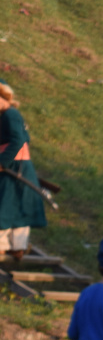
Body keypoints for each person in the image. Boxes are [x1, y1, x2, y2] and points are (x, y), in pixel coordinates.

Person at [0, 82, 46, 260]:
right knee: (13, 205)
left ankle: (7, 246)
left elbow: (19, 140)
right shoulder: (6, 116)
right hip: (14, 166)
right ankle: (16, 246)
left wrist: (3, 162)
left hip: (15, 167)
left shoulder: (10, 115)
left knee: (5, 206)